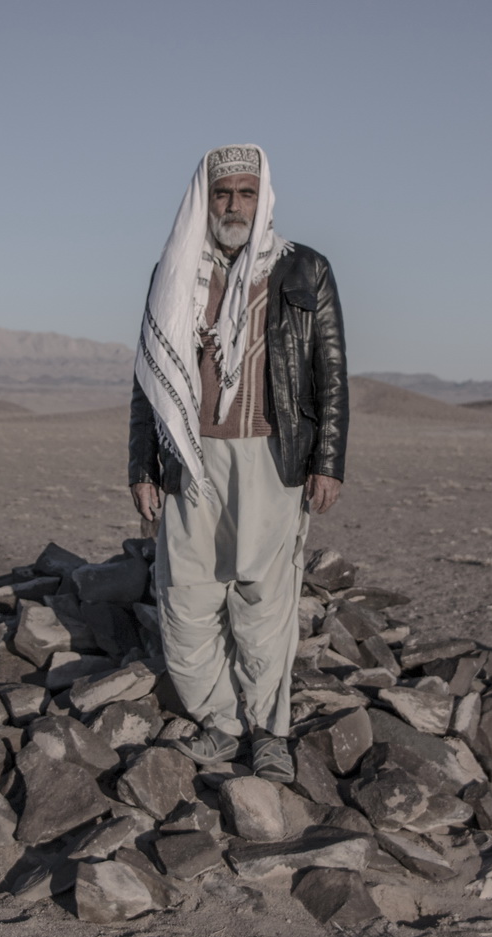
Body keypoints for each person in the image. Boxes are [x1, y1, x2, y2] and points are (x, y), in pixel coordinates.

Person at [128, 143, 348, 782]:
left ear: (263, 197)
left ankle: (269, 731)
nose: (234, 206)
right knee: (188, 596)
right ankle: (221, 722)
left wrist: (328, 459)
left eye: (246, 193)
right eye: (223, 193)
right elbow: (147, 379)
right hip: (188, 455)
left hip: (271, 456)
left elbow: (328, 371)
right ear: (206, 198)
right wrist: (142, 467)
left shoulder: (304, 270)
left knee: (263, 597)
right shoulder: (172, 272)